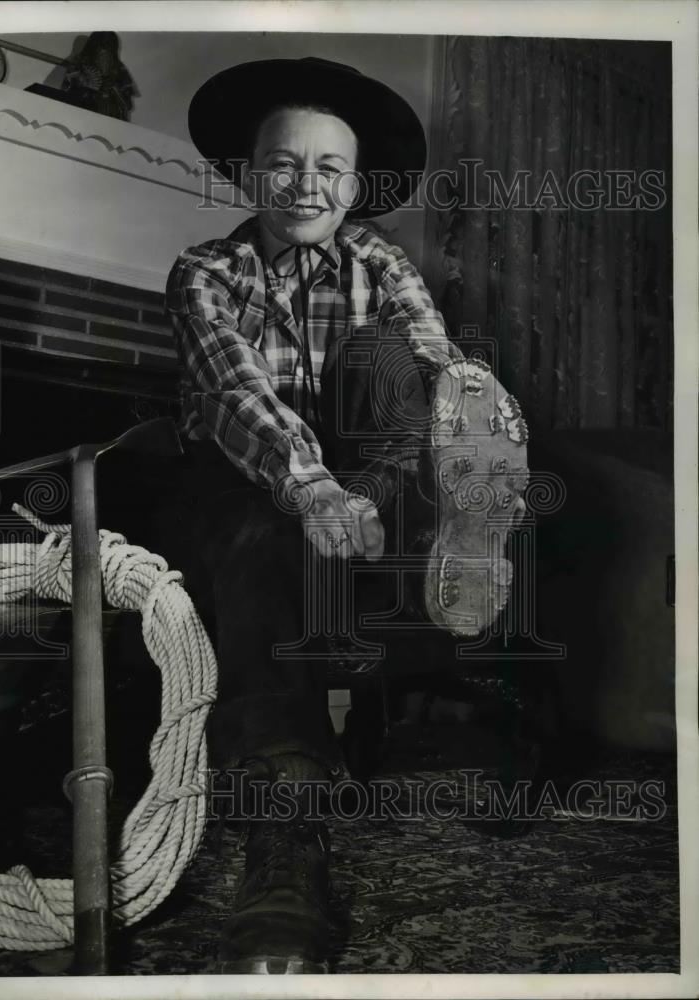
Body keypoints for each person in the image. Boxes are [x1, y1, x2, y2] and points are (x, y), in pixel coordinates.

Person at [143, 56, 528, 975]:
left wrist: (453, 397)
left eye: (329, 168)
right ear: (247, 174)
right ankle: (287, 829)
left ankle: (458, 512)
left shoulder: (378, 256)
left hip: (374, 472)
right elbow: (237, 392)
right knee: (261, 534)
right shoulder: (204, 271)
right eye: (284, 163)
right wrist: (311, 487)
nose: (305, 183)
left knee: (405, 357)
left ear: (356, 187)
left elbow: (424, 343)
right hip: (240, 481)